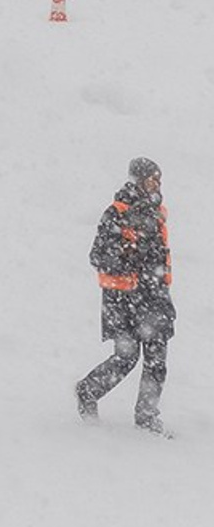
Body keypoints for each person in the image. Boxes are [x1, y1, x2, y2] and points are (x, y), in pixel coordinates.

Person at [77, 157, 174, 434]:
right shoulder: (116, 212)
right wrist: (127, 257)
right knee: (126, 358)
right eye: (151, 178)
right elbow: (98, 256)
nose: (156, 183)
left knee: (157, 361)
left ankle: (146, 418)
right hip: (124, 300)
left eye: (159, 178)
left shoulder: (158, 213)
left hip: (155, 298)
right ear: (137, 180)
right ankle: (87, 391)